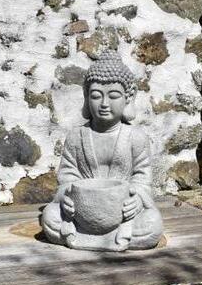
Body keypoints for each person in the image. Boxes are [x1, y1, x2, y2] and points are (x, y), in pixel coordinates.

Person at [40, 51, 163, 251]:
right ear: (86, 97)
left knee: (152, 224)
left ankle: (86, 239)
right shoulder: (76, 137)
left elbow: (142, 180)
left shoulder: (136, 138)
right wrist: (66, 200)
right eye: (96, 95)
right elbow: (67, 178)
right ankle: (107, 240)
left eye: (114, 96)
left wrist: (138, 201)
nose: (104, 104)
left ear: (128, 98)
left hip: (122, 215)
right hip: (82, 213)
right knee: (50, 217)